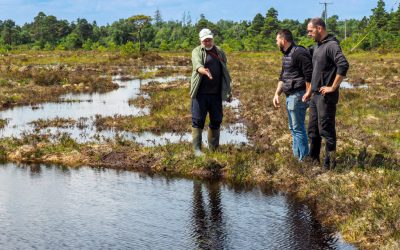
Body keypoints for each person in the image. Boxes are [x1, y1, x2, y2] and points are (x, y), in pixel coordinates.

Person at [306, 18, 349, 169]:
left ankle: (330, 164)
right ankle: (313, 161)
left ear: (319, 28)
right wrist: (309, 91)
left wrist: (332, 87)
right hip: (315, 96)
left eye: (310, 31)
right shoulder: (318, 47)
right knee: (313, 130)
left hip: (326, 97)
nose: (308, 34)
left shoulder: (331, 45)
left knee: (326, 129)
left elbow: (343, 65)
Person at [190, 28, 232, 156]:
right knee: (198, 120)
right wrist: (203, 70)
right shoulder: (197, 51)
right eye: (205, 41)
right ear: (200, 41)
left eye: (209, 40)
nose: (208, 42)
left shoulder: (219, 52)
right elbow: (197, 64)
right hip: (200, 94)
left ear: (212, 38)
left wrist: (228, 90)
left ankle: (213, 150)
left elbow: (225, 69)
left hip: (216, 94)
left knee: (216, 120)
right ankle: (197, 150)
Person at [273, 29, 312, 161]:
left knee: (298, 128)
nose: (276, 43)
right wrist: (277, 94)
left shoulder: (299, 53)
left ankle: (304, 160)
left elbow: (309, 75)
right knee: (293, 128)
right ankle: (297, 159)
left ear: (283, 41)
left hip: (298, 95)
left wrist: (307, 93)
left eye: (277, 40)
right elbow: (283, 77)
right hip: (290, 96)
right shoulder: (286, 55)